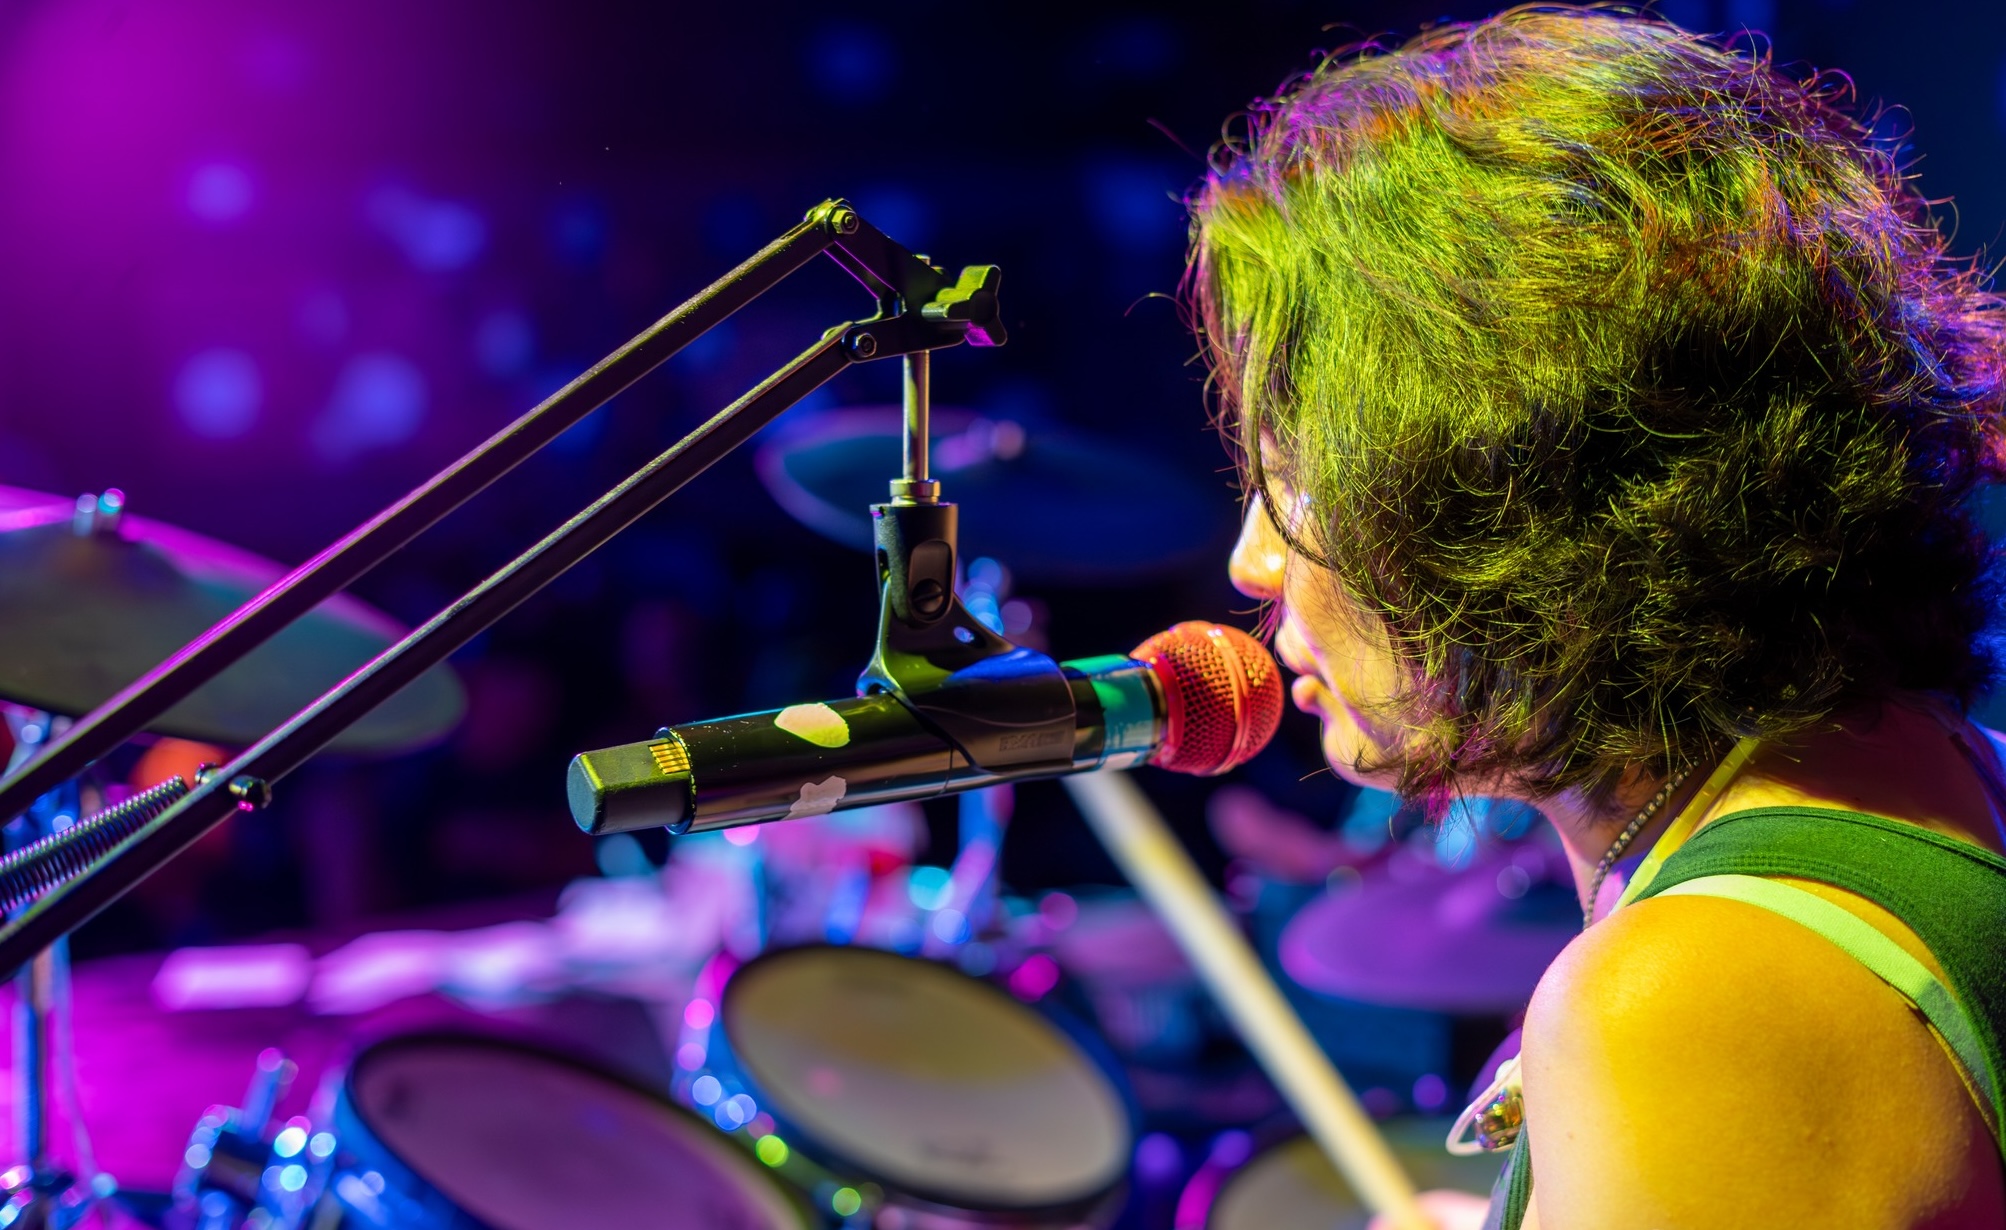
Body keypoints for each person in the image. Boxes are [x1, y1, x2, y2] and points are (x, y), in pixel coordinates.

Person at [1188, 8, 2006, 1228]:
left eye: (1299, 479)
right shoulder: (1936, 774)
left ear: (1514, 497)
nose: (1254, 559)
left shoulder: (1692, 993)